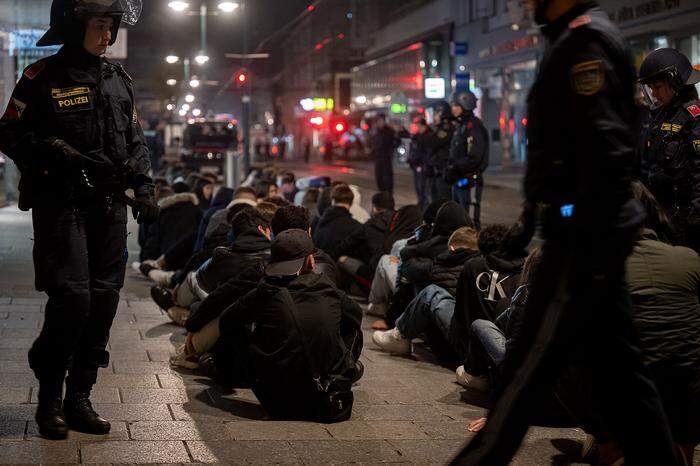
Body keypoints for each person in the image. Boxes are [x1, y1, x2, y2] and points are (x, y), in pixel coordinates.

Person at [452, 1, 678, 464]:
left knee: (525, 371)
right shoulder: (573, 37)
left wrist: (568, 220)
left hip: (583, 241)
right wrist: (529, 219)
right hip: (593, 235)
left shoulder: (584, 43)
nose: (523, 2)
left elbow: (600, 147)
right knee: (628, 380)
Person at [0, 0, 156, 440]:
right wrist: (58, 154)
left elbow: (134, 137)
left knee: (103, 302)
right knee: (72, 299)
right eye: (101, 26)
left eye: (112, 27)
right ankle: (49, 399)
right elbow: (9, 131)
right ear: (74, 24)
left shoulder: (118, 79)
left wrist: (145, 187)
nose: (108, 36)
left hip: (109, 208)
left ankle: (79, 398)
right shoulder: (41, 76)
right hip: (61, 204)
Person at [216, 229, 364, 419]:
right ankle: (345, 370)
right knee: (351, 326)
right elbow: (355, 316)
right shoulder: (327, 286)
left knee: (237, 328)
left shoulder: (264, 292)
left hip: (276, 401)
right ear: (310, 260)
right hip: (327, 396)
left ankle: (233, 374)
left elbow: (226, 322)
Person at [639, 47, 700, 253]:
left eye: (657, 87)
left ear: (674, 83)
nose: (653, 94)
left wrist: (695, 215)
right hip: (664, 215)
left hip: (688, 221)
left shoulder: (693, 117)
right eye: (650, 88)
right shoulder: (661, 116)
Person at [446, 90, 489, 229]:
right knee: (459, 220)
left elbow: (474, 156)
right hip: (459, 178)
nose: (453, 109)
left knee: (469, 220)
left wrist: (455, 167)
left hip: (469, 180)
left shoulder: (473, 127)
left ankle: (474, 249)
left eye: (455, 105)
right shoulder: (461, 126)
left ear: (465, 105)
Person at [336, 192, 395, 291]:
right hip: (396, 274)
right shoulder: (402, 223)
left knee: (342, 259)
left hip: (375, 276)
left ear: (374, 208)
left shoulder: (370, 225)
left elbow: (345, 246)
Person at [312, 184, 362, 259]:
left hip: (317, 265)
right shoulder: (356, 227)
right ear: (351, 203)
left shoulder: (318, 222)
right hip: (336, 269)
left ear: (333, 201)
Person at [426, 101, 454, 203]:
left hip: (443, 171)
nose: (433, 117)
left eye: (435, 114)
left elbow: (433, 142)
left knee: (443, 201)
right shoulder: (438, 128)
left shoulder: (446, 128)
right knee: (435, 200)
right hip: (436, 170)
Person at [408, 118, 432, 210]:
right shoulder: (417, 136)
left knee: (423, 187)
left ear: (423, 125)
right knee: (418, 186)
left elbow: (426, 152)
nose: (416, 127)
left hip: (423, 165)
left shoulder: (428, 136)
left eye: (418, 125)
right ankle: (420, 203)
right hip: (416, 165)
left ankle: (424, 206)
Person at [371, 114, 398, 193]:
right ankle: (381, 192)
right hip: (378, 158)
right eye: (378, 121)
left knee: (387, 177)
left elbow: (396, 142)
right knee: (379, 177)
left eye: (381, 120)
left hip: (386, 157)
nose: (380, 122)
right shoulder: (376, 131)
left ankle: (388, 194)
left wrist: (391, 150)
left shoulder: (389, 131)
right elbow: (373, 143)